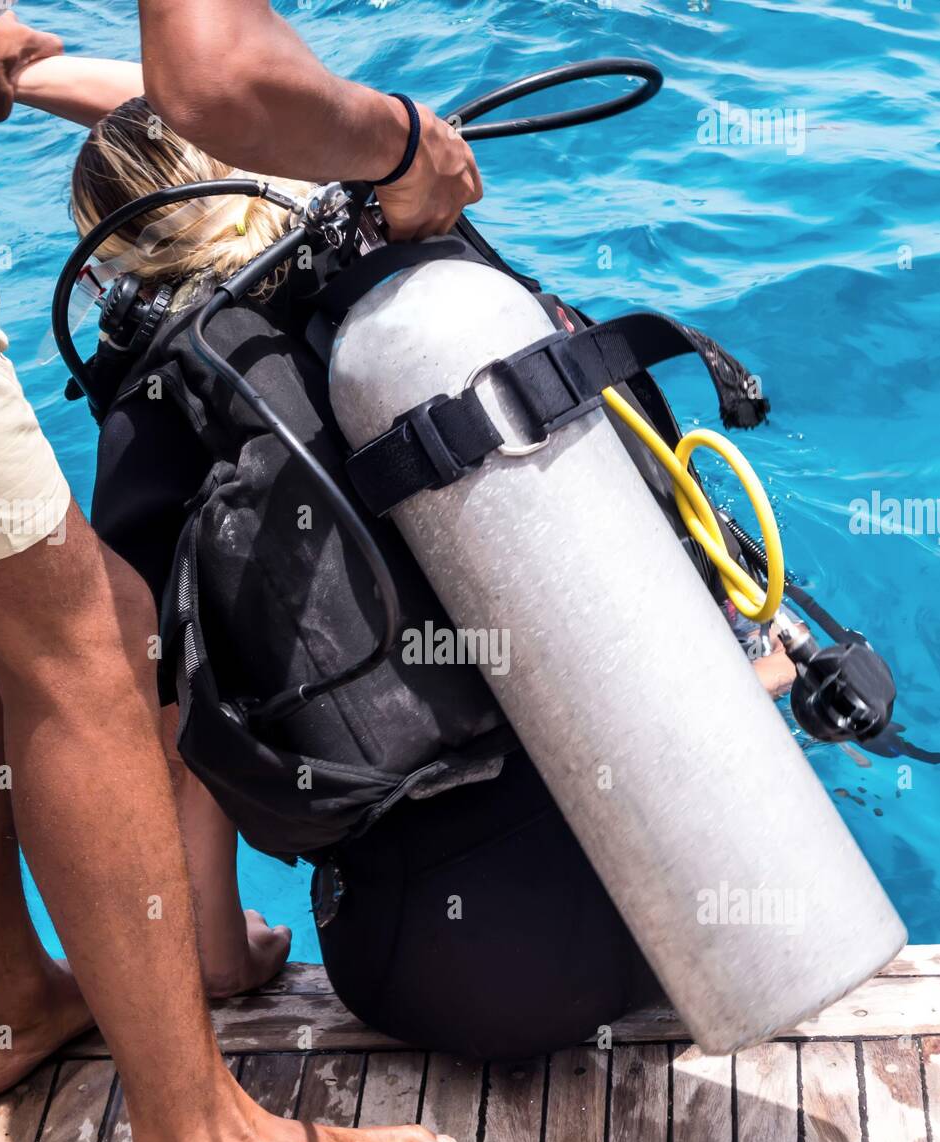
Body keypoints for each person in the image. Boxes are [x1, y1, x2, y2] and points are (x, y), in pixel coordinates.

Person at [61, 80, 800, 1059]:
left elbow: (173, 740)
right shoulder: (445, 296)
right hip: (726, 893)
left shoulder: (167, 411)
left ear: (122, 256)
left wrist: (225, 961)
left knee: (187, 682)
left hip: (480, 981)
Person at [0, 2, 477, 1142]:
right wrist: (406, 142)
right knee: (85, 629)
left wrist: (8, 53)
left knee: (0, 601)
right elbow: (221, 77)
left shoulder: (155, 432)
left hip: (400, 958)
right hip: (552, 944)